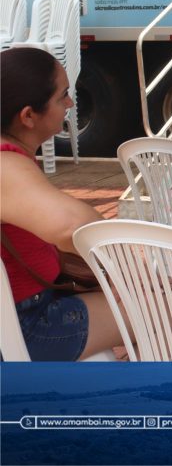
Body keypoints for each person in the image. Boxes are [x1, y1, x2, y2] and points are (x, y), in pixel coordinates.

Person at [1, 47, 123, 360]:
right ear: (28, 116)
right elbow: (74, 227)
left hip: (29, 308)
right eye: (62, 95)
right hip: (27, 325)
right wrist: (128, 258)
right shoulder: (6, 164)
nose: (70, 103)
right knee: (167, 300)